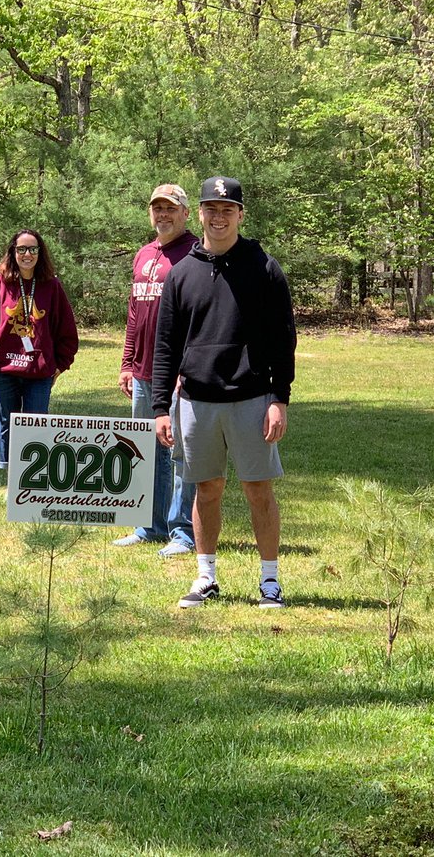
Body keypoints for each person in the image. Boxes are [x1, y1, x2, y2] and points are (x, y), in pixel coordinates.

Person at [151, 177, 296, 609]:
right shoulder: (181, 274)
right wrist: (162, 408)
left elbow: (282, 339)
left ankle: (269, 582)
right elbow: (166, 346)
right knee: (206, 489)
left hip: (252, 398)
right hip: (196, 401)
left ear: (240, 215)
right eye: (211, 209)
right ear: (199, 214)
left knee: (258, 490)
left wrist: (279, 399)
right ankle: (206, 576)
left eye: (227, 210)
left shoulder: (264, 266)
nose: (219, 217)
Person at [113, 184, 197, 558]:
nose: (163, 215)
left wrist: (187, 367)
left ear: (185, 213)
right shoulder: (144, 254)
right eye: (157, 208)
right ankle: (150, 526)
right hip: (144, 371)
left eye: (170, 209)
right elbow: (135, 314)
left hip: (178, 373)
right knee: (146, 449)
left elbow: (198, 317)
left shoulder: (194, 253)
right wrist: (127, 363)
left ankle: (182, 531)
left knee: (178, 451)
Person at [0, 230, 79, 469]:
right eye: (21, 249)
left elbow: (67, 330)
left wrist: (60, 365)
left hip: (39, 373)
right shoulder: (0, 282)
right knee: (7, 424)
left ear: (40, 254)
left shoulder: (51, 286)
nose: (27, 254)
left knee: (36, 427)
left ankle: (31, 484)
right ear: (13, 252)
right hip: (4, 369)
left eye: (33, 249)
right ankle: (11, 480)